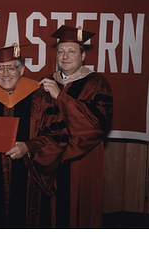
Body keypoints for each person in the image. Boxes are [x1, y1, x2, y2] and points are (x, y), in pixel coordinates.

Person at [0, 44, 68, 228]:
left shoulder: (40, 96)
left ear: (22, 69)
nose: (5, 74)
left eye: (11, 67)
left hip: (29, 180)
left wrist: (28, 147)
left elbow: (58, 135)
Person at [39, 25, 113, 228]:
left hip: (81, 159)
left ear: (83, 56)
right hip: (49, 160)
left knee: (76, 215)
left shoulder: (97, 83)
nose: (65, 57)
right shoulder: (46, 82)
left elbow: (95, 127)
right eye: (61, 51)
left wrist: (60, 97)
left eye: (71, 51)